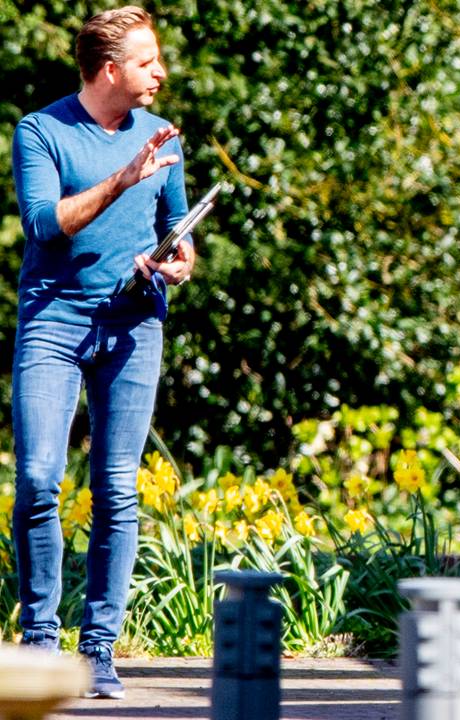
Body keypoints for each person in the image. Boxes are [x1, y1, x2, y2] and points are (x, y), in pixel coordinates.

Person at [10, 5, 195, 699]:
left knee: (116, 487)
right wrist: (121, 179)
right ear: (111, 70)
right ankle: (39, 645)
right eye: (149, 61)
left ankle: (98, 653)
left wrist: (181, 259)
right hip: (54, 323)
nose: (161, 72)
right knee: (37, 479)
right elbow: (42, 225)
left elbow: (175, 224)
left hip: (132, 324)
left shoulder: (161, 134)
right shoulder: (41, 130)